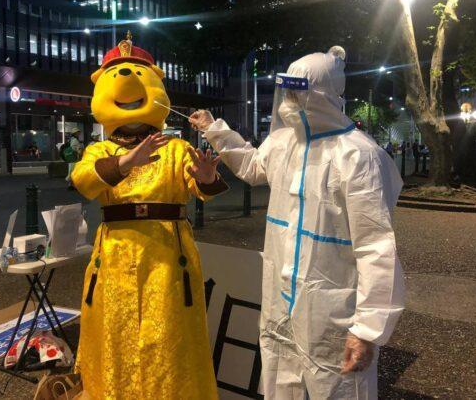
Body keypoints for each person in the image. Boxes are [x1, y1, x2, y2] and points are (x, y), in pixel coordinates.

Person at [190, 47, 405, 400]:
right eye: (287, 90)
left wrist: (367, 329)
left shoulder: (358, 156)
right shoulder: (283, 142)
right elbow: (252, 166)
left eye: (298, 90)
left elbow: (376, 248)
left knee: (339, 388)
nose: (289, 99)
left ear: (322, 93)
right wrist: (215, 129)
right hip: (279, 303)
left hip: (332, 314)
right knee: (280, 382)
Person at [71, 33, 227, 399]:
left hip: (167, 259)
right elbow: (83, 182)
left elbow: (202, 187)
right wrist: (127, 162)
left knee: (170, 336)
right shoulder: (99, 150)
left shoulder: (176, 147)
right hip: (114, 256)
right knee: (116, 332)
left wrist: (205, 178)